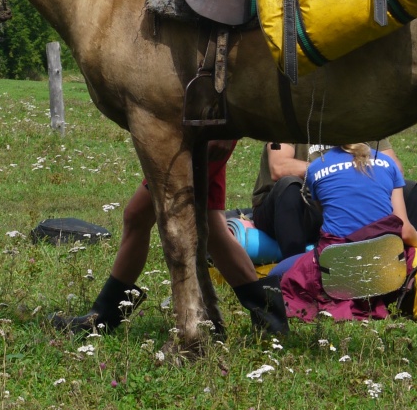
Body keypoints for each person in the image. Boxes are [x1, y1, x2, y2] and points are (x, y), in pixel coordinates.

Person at [52, 141, 289, 336]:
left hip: (202, 129)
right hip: (194, 126)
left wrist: (225, 133)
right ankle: (271, 319)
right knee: (213, 230)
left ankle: (104, 315)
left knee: (138, 214)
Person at [277, 142, 417, 322]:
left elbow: (325, 215)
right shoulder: (388, 162)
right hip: (385, 264)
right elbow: (405, 229)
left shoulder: (316, 167)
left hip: (338, 265)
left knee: (276, 273)